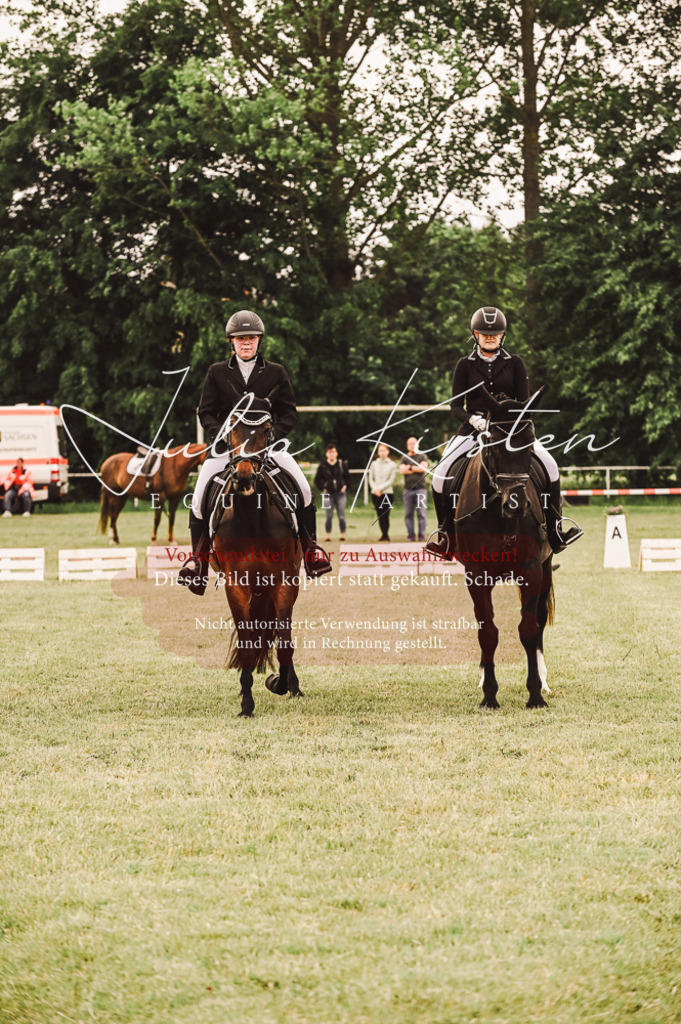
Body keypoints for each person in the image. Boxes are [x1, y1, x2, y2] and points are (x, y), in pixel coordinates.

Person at [177, 310, 331, 595]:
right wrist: (222, 436)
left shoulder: (276, 371)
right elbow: (206, 412)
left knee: (305, 490)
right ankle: (197, 564)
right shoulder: (217, 372)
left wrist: (273, 437)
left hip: (266, 448)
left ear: (259, 340)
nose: (246, 343)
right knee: (198, 499)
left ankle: (311, 553)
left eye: (251, 338)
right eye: (240, 339)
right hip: (228, 449)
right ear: (231, 342)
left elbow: (289, 413)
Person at [426, 305, 583, 557]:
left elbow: (524, 403)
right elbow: (455, 406)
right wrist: (473, 420)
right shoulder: (464, 365)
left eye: (496, 334)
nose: (490, 337)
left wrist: (512, 423)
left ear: (503, 336)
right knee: (440, 474)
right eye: (485, 333)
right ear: (475, 334)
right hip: (473, 430)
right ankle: (445, 536)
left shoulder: (515, 363)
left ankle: (555, 529)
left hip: (511, 432)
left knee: (550, 465)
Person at [314, 443, 350, 541]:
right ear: (326, 454)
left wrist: (345, 486)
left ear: (336, 453)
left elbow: (347, 477)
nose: (331, 454)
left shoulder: (341, 464)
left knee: (341, 514)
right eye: (330, 452)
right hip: (327, 494)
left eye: (333, 452)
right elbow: (317, 480)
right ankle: (328, 536)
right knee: (328, 515)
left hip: (340, 493)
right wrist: (323, 487)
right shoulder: (322, 466)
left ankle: (343, 535)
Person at [400, 436, 428, 542]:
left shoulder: (422, 456)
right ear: (407, 446)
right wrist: (416, 468)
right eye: (410, 444)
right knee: (408, 514)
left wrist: (410, 467)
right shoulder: (404, 457)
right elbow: (402, 471)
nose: (412, 446)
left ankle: (421, 535)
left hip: (421, 489)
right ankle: (410, 535)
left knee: (421, 513)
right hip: (408, 489)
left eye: (414, 444)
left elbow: (423, 468)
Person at [369, 443, 396, 541]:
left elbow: (391, 480)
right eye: (380, 450)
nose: (382, 452)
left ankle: (386, 534)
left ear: (388, 452)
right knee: (379, 514)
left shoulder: (392, 464)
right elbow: (371, 479)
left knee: (385, 514)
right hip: (375, 493)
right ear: (378, 452)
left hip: (387, 493)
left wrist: (380, 488)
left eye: (384, 450)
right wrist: (375, 489)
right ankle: (383, 534)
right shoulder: (374, 464)